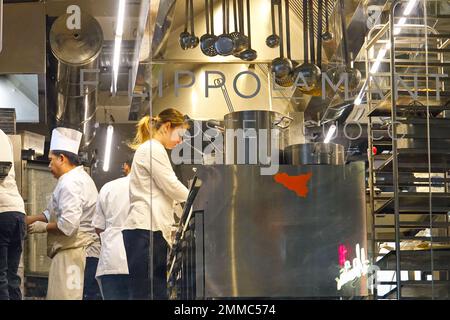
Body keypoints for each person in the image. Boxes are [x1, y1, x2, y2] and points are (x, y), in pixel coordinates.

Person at [26, 128, 101, 300]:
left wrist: (44, 227)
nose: (49, 165)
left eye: (51, 160)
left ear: (62, 158)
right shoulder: (71, 179)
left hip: (77, 253)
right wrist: (31, 220)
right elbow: (52, 212)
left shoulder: (71, 183)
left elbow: (68, 226)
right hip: (71, 251)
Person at [123, 108, 189, 300]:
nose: (180, 141)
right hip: (145, 231)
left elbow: (167, 192)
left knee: (153, 292)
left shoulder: (153, 148)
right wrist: (196, 198)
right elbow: (171, 185)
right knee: (149, 294)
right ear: (168, 127)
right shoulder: (153, 148)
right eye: (180, 134)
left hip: (148, 231)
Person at [92, 156, 133, 300]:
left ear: (126, 166)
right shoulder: (152, 190)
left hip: (111, 259)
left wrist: (111, 239)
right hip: (140, 261)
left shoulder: (108, 187)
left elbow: (98, 227)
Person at [0, 129, 26, 300]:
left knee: (1, 276)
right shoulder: (3, 136)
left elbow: (2, 168)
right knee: (11, 277)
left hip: (3, 212)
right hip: (16, 212)